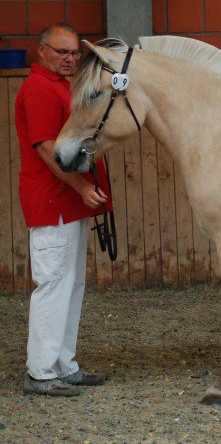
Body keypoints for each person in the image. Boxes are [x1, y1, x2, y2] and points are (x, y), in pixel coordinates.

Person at [15, 23, 112, 397]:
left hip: (66, 202)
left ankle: (63, 364)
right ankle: (40, 371)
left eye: (74, 53)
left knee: (71, 285)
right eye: (62, 52)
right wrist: (83, 186)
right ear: (42, 51)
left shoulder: (63, 86)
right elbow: (45, 148)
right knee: (53, 283)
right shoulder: (39, 88)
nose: (71, 59)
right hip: (53, 199)